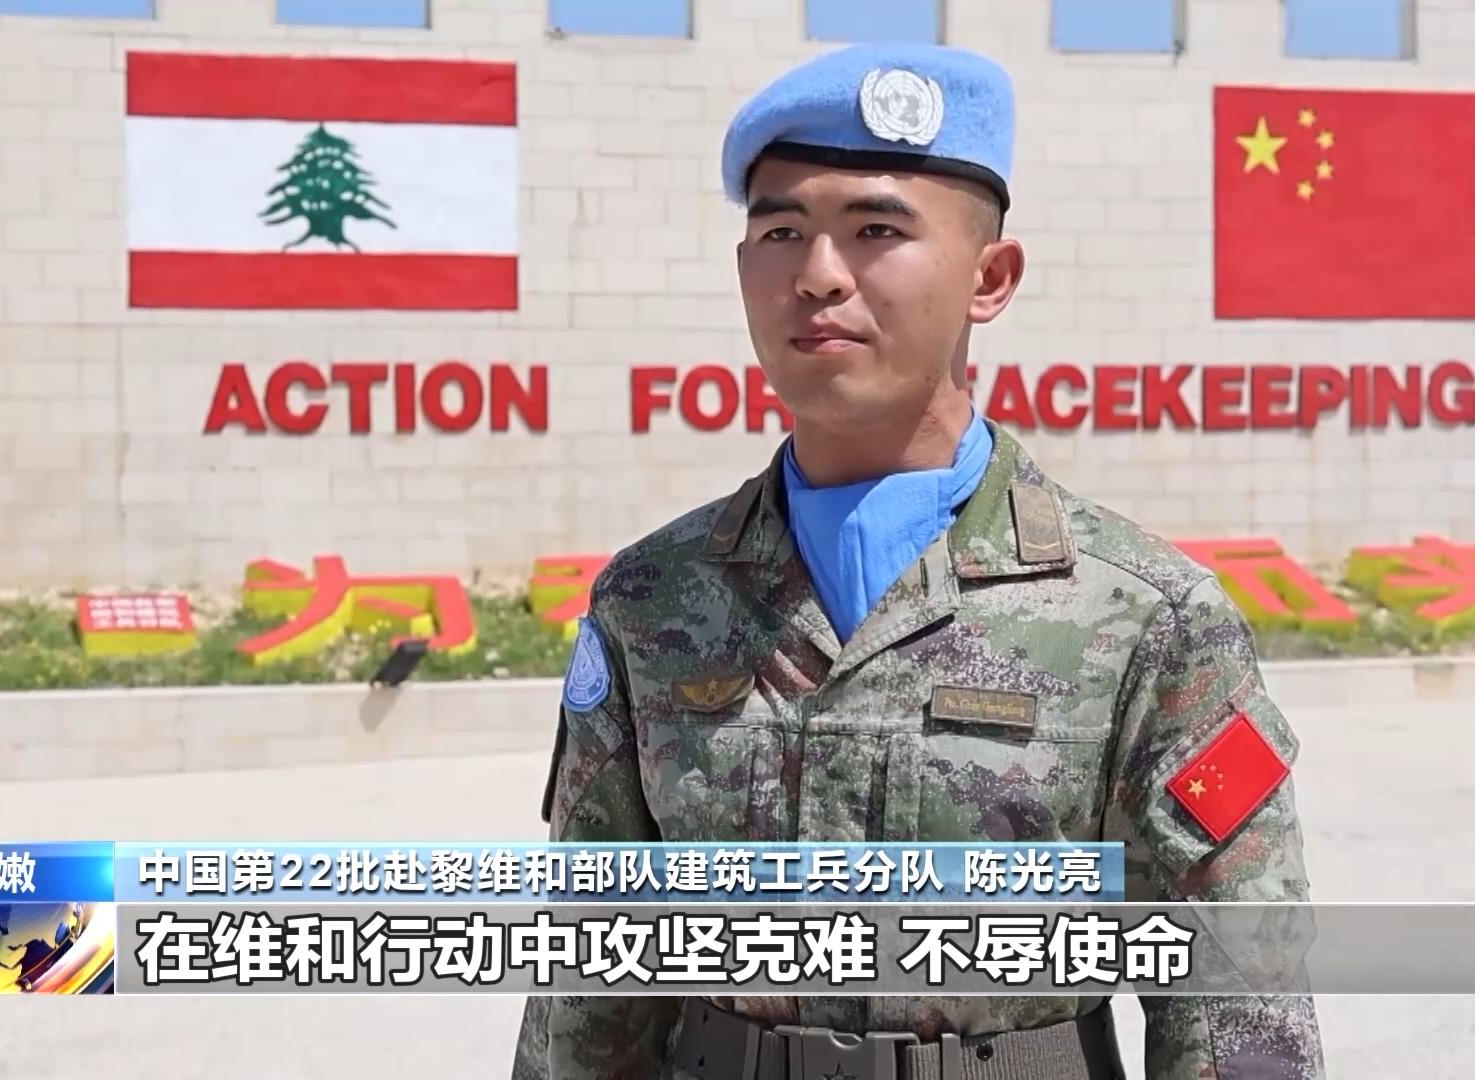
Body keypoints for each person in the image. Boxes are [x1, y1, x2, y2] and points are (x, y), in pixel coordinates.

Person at [512, 42, 1324, 1080]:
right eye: (781, 231)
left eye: (877, 231)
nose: (818, 275)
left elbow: (1238, 1007)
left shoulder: (1146, 621)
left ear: (990, 278)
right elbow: (589, 975)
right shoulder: (653, 601)